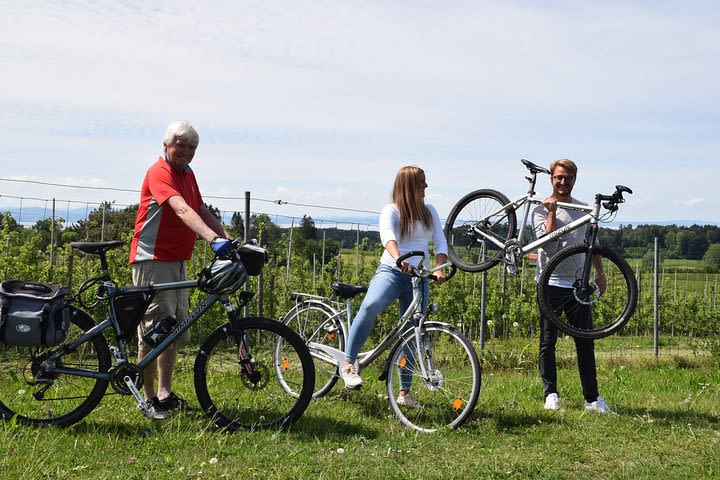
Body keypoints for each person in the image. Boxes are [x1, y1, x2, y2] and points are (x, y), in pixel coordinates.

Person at [129, 121, 232, 419]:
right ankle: (147, 399)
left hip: (176, 260)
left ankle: (165, 393)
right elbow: (180, 208)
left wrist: (226, 237)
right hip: (153, 259)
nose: (186, 152)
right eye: (180, 145)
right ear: (166, 146)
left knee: (171, 330)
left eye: (192, 147)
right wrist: (211, 239)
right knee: (152, 331)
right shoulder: (159, 172)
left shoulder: (187, 174)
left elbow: (199, 208)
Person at [339, 165, 448, 407]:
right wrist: (400, 259)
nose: (426, 187)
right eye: (422, 182)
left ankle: (404, 393)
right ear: (409, 185)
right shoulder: (392, 210)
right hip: (391, 271)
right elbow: (388, 237)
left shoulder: (430, 211)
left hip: (418, 278)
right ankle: (348, 363)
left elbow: (441, 243)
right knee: (370, 307)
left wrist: (439, 267)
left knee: (411, 334)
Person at [532, 159, 611, 414]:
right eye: (558, 177)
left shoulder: (586, 210)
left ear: (574, 180)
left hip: (578, 286)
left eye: (567, 178)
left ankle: (591, 399)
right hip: (550, 283)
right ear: (551, 179)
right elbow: (547, 246)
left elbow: (592, 245)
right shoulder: (541, 210)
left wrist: (600, 274)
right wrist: (552, 213)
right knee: (548, 342)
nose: (562, 182)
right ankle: (551, 394)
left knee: (585, 343)